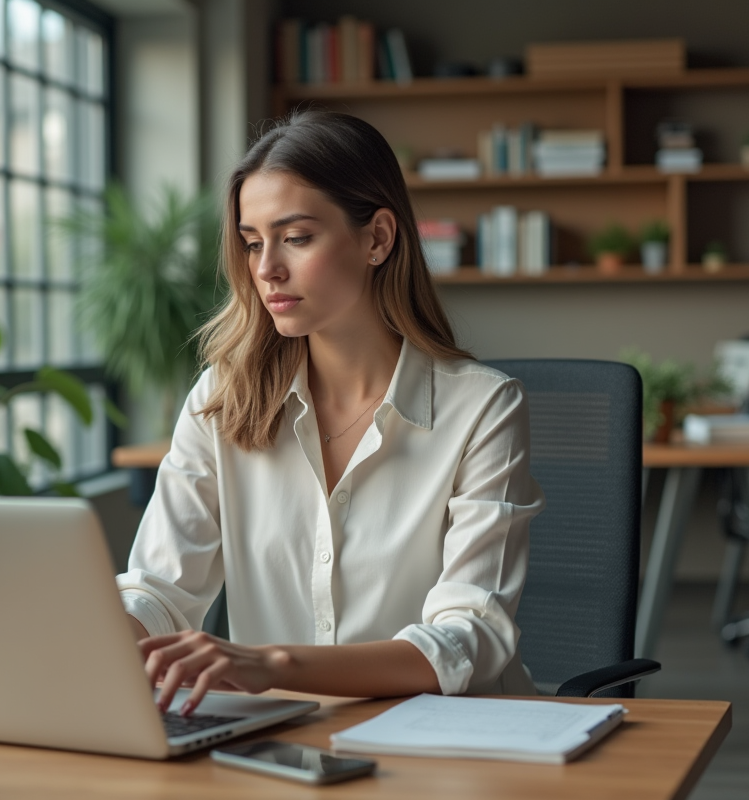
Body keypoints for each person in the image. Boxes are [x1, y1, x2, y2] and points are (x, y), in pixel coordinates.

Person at [116, 110, 544, 716]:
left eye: (297, 237)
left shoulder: (483, 408)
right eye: (252, 243)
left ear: (378, 239)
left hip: (448, 744)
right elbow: (158, 590)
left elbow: (466, 638)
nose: (266, 270)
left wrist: (274, 665)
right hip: (276, 742)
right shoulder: (222, 399)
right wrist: (103, 637)